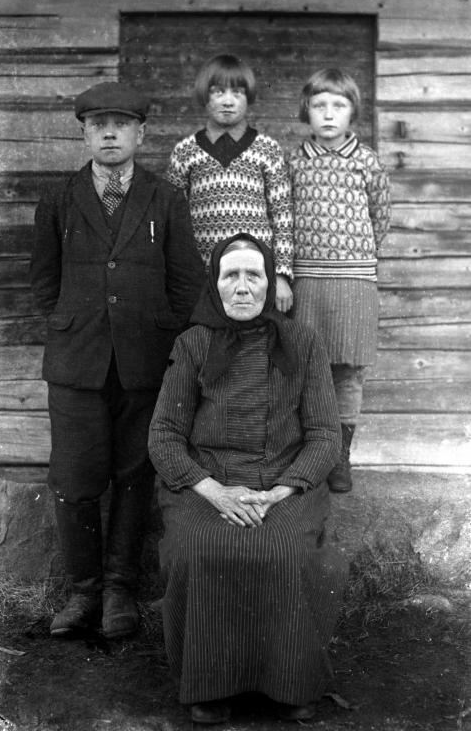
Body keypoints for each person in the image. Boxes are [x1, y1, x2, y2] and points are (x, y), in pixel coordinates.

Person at [148, 233, 348, 725]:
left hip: (286, 481)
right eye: (230, 275)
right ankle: (209, 685)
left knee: (287, 550)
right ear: (215, 285)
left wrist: (281, 490)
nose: (242, 287)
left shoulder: (303, 342)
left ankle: (291, 683)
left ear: (270, 282)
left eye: (253, 275)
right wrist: (215, 492)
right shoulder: (193, 344)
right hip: (207, 482)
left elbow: (325, 434)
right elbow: (164, 434)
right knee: (200, 548)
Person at [30, 81, 204, 640]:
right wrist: (71, 324)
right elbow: (43, 280)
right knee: (75, 477)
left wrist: (161, 335)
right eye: (98, 124)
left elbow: (187, 281)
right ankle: (83, 591)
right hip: (76, 364)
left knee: (134, 474)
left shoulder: (165, 198)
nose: (109, 133)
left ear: (141, 133)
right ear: (84, 133)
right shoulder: (59, 199)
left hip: (143, 363)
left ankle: (119, 590)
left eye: (121, 124)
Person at [289, 68, 391, 493]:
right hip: (308, 283)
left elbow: (380, 217)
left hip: (354, 284)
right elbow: (285, 219)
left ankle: (339, 457)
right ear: (306, 111)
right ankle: (311, 454)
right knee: (307, 370)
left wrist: (354, 260)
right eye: (319, 105)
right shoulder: (295, 161)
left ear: (353, 112)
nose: (328, 114)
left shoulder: (367, 162)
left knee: (348, 374)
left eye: (338, 105)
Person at [166, 53, 294, 313]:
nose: (227, 101)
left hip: (256, 276)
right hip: (204, 278)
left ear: (248, 97)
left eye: (237, 93)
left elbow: (282, 216)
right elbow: (174, 221)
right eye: (218, 92)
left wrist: (281, 275)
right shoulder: (185, 151)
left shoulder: (267, 149)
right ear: (205, 96)